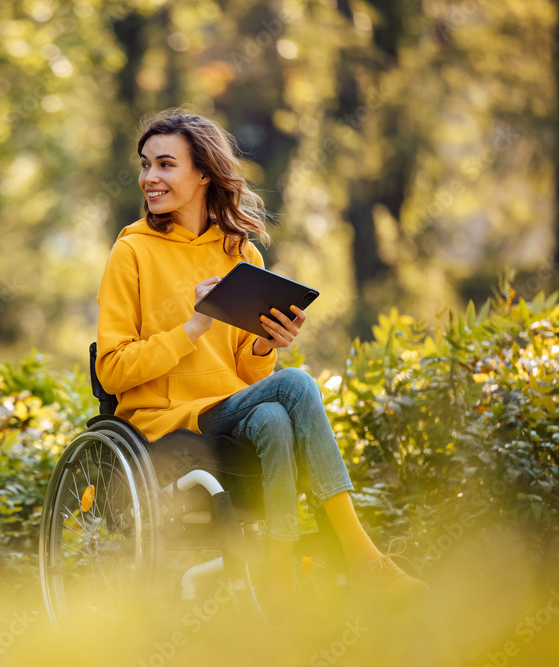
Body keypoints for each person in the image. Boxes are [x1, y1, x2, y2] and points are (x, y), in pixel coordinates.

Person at [94, 109, 427, 622]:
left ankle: (277, 581)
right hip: (162, 421)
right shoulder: (132, 252)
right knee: (295, 386)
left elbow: (252, 380)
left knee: (273, 414)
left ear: (203, 174)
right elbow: (113, 372)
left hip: (227, 406)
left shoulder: (240, 253)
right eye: (146, 165)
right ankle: (363, 554)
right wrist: (193, 327)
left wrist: (267, 344)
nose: (150, 179)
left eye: (165, 165)